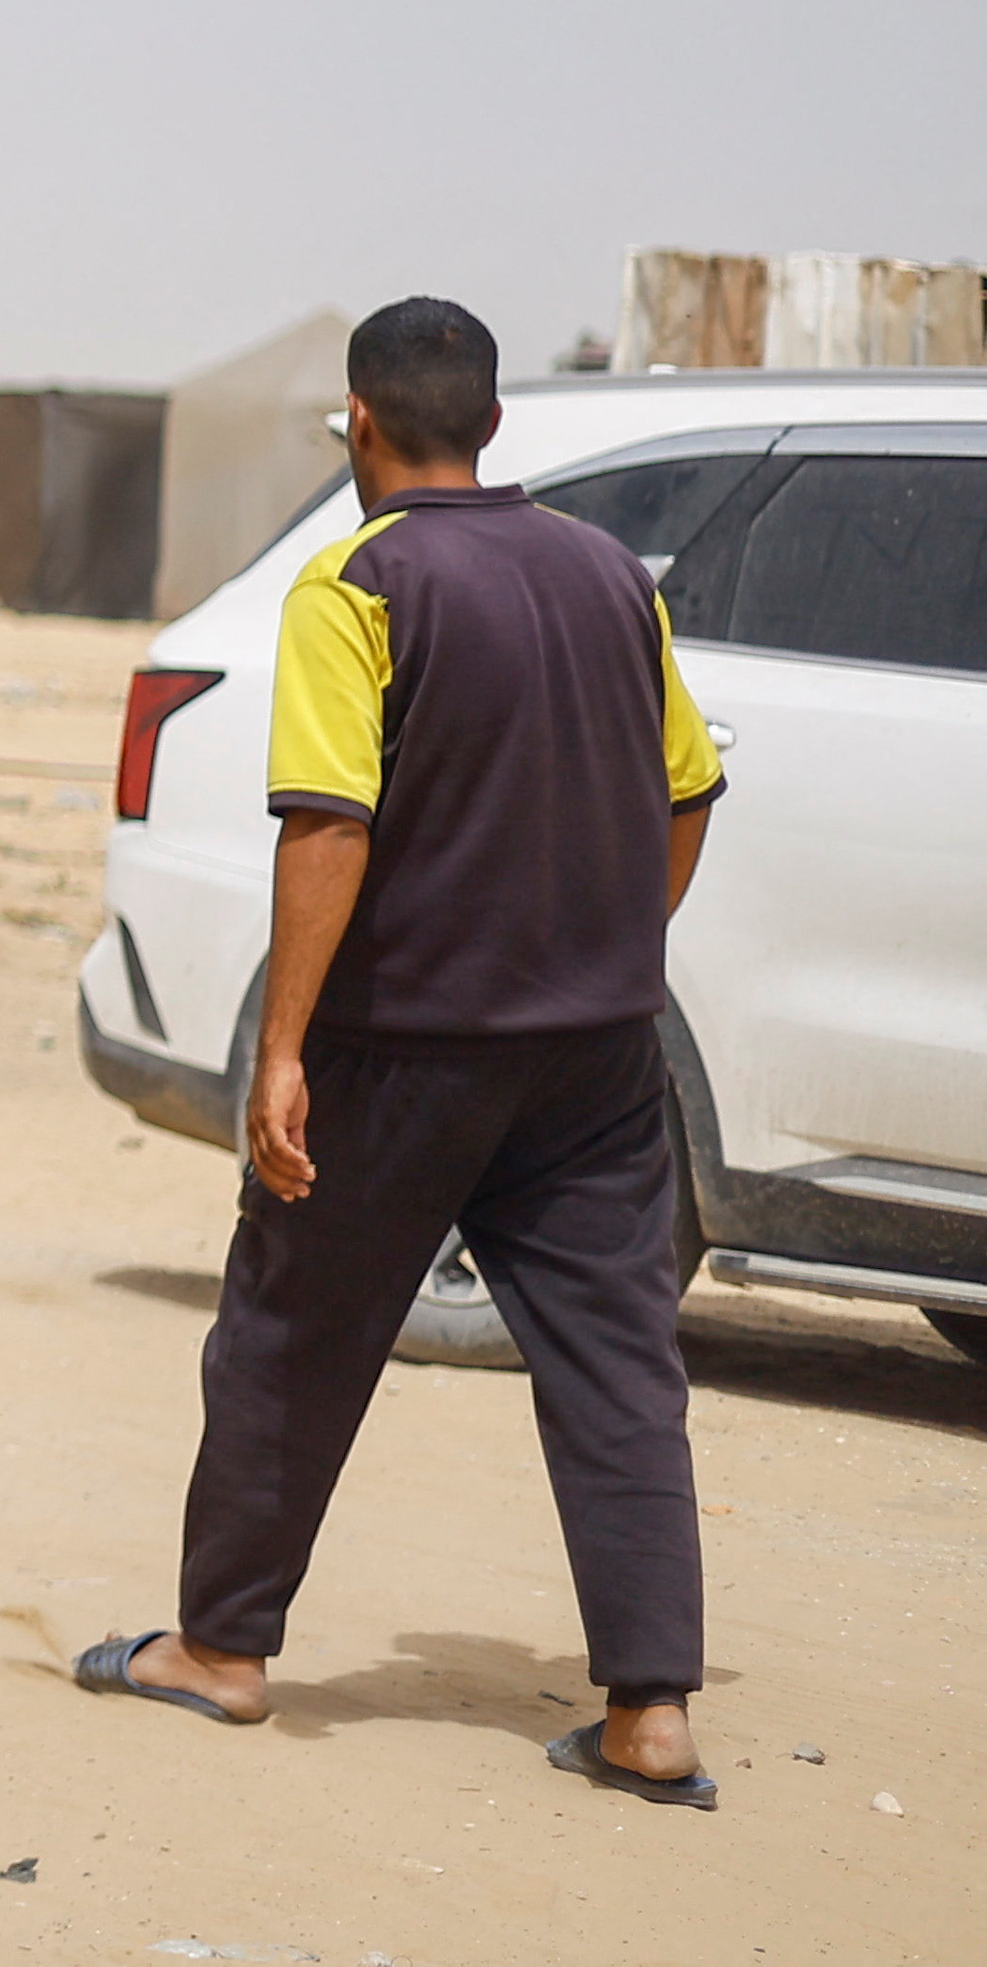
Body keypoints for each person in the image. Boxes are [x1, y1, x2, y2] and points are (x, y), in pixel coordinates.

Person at [82, 297, 730, 1809]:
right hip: (597, 1058)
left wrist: (284, 1049)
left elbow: (327, 819)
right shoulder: (606, 577)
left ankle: (222, 1652)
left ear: (360, 425)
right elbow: (689, 789)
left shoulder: (357, 584)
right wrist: (614, 943)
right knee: (621, 1366)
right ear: (494, 424)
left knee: (288, 1334)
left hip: (408, 1048)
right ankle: (651, 1717)